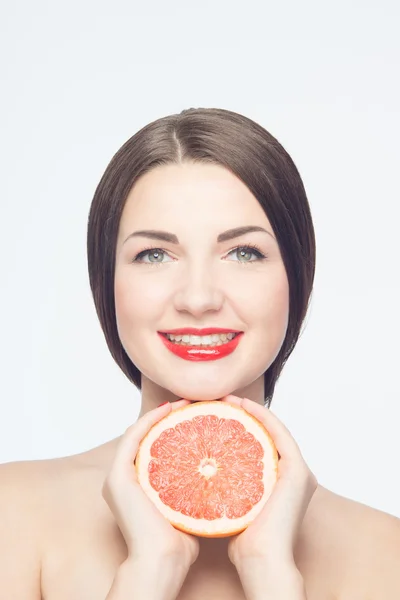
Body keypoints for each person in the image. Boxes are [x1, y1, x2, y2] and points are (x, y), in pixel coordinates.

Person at [1, 107, 399, 599]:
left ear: (297, 277)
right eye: (154, 254)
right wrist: (149, 572)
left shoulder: (387, 556)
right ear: (106, 283)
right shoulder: (13, 515)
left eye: (243, 252)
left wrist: (272, 575)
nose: (198, 297)